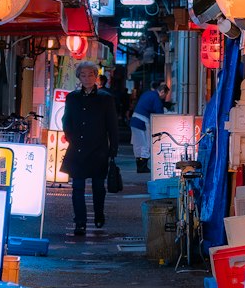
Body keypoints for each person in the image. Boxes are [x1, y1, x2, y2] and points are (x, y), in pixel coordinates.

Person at [61, 62, 119, 236]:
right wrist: (71, 136)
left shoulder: (105, 98)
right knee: (77, 187)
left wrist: (113, 148)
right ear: (79, 77)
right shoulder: (72, 97)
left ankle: (99, 214)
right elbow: (66, 120)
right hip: (77, 148)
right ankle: (80, 222)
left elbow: (112, 125)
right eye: (83, 75)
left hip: (98, 149)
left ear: (96, 76)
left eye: (90, 75)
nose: (87, 78)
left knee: (98, 187)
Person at [129, 80, 170, 172]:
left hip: (134, 120)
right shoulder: (156, 98)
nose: (165, 97)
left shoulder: (147, 93)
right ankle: (142, 167)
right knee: (145, 144)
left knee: (137, 144)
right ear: (162, 92)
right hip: (142, 122)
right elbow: (159, 113)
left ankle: (139, 166)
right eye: (165, 95)